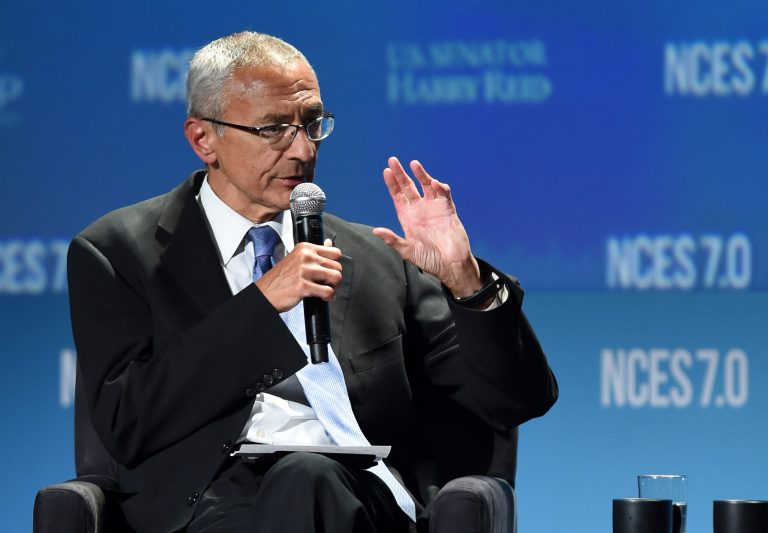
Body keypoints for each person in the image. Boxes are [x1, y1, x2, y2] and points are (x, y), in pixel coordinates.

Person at [67, 31, 558, 532]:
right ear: (203, 139)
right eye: (274, 129)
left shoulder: (379, 260)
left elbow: (516, 401)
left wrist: (466, 283)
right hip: (203, 505)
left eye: (311, 124)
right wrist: (261, 306)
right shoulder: (119, 252)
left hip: (356, 498)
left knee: (306, 476)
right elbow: (127, 421)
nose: (302, 149)